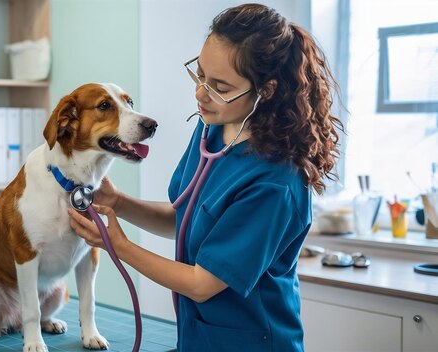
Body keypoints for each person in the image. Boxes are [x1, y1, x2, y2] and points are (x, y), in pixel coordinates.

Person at [68, 3, 343, 351]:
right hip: (199, 337)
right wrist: (118, 203)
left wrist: (116, 245)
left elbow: (202, 283)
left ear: (267, 90)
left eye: (220, 87)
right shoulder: (212, 128)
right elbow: (181, 220)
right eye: (199, 74)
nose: (200, 93)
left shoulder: (275, 183)